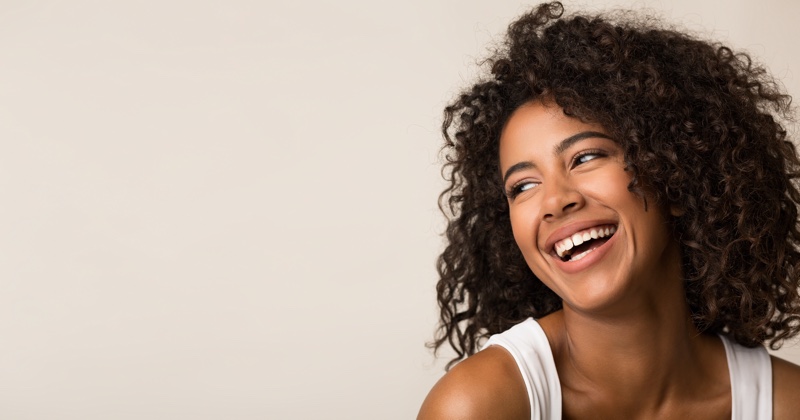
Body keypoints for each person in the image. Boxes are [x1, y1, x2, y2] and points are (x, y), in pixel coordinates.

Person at [418, 2, 800, 419]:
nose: (554, 201)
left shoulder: (785, 403)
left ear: (673, 173)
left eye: (585, 158)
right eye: (523, 185)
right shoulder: (480, 405)